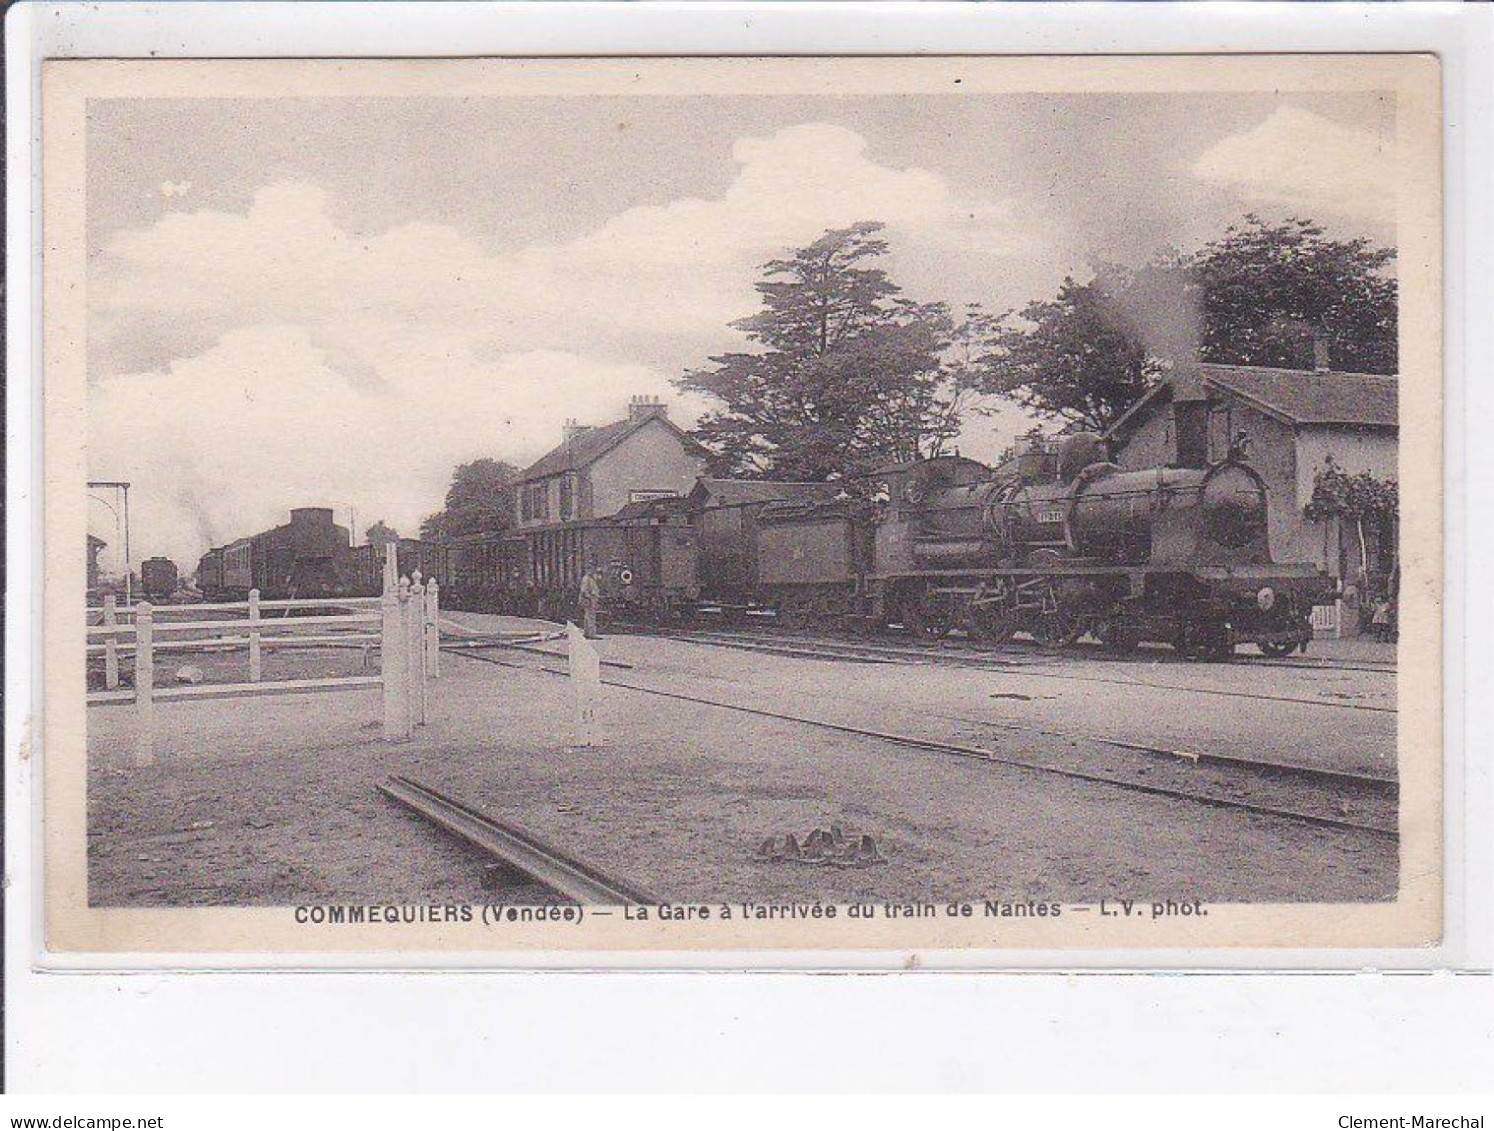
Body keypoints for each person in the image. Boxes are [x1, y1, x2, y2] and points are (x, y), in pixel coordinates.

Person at [578, 562, 603, 640]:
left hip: (591, 599)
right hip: (590, 599)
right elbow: (584, 590)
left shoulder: (591, 578)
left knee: (588, 616)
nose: (593, 571)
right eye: (591, 569)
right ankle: (592, 634)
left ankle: (587, 633)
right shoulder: (587, 578)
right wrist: (589, 599)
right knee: (591, 617)